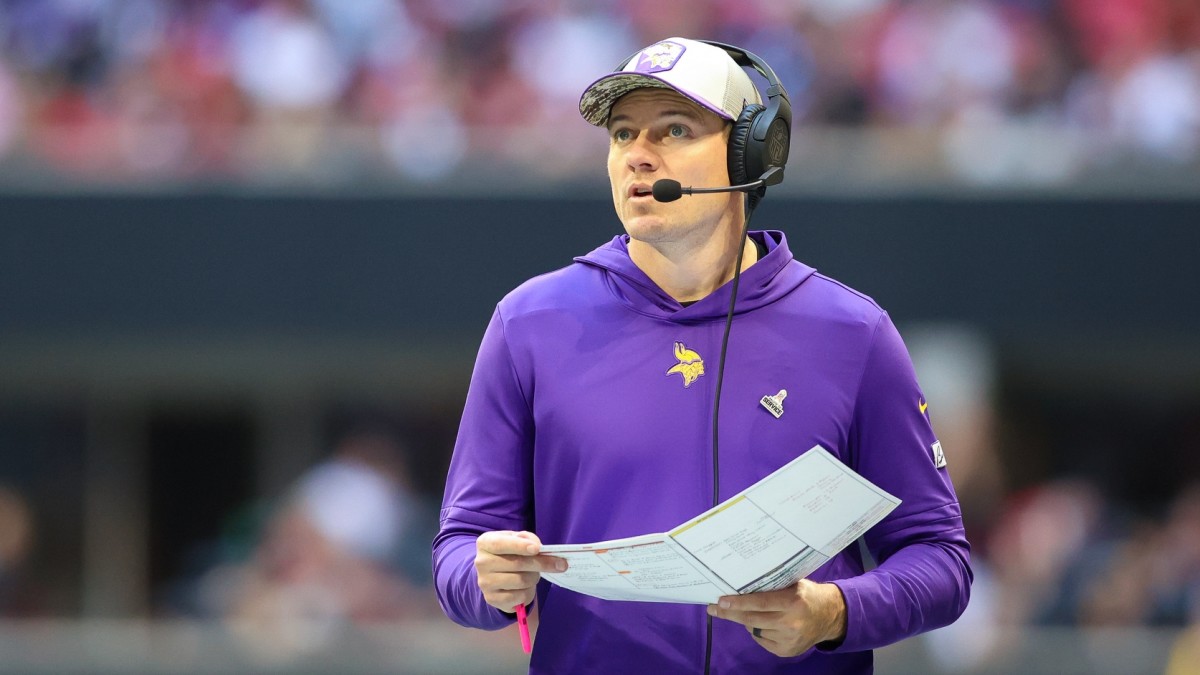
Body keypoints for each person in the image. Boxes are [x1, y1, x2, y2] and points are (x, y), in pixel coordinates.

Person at [433, 36, 971, 673]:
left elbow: (940, 560)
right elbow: (458, 551)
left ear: (752, 151)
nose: (638, 154)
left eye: (675, 129)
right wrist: (486, 581)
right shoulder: (528, 323)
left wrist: (834, 613)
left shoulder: (853, 333)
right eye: (622, 133)